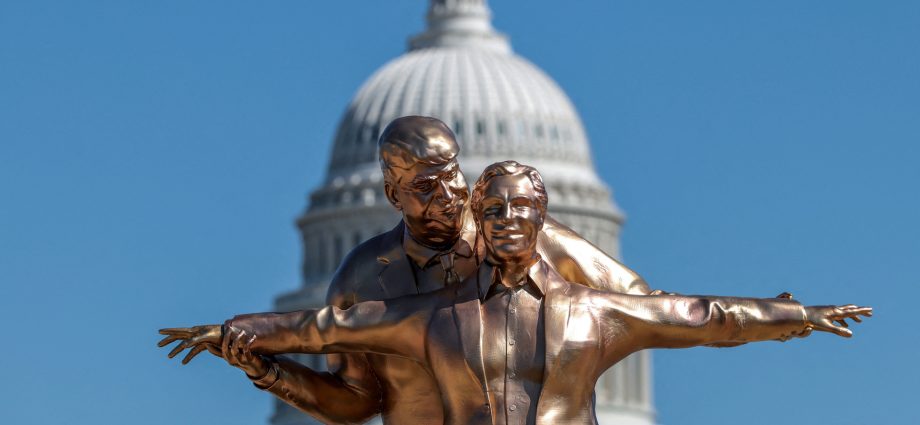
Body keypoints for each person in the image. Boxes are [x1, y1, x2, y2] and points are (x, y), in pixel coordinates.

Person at [161, 160, 871, 425]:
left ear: (544, 220)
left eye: (521, 210)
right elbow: (328, 327)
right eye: (493, 209)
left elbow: (706, 317)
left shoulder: (595, 313)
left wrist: (797, 315)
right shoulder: (434, 316)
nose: (506, 221)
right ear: (478, 215)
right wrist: (237, 332)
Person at [161, 116, 658, 424]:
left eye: (452, 176)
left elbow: (636, 300)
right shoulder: (362, 279)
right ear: (391, 194)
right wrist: (267, 371)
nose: (448, 198)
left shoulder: (522, 237)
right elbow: (356, 402)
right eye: (424, 187)